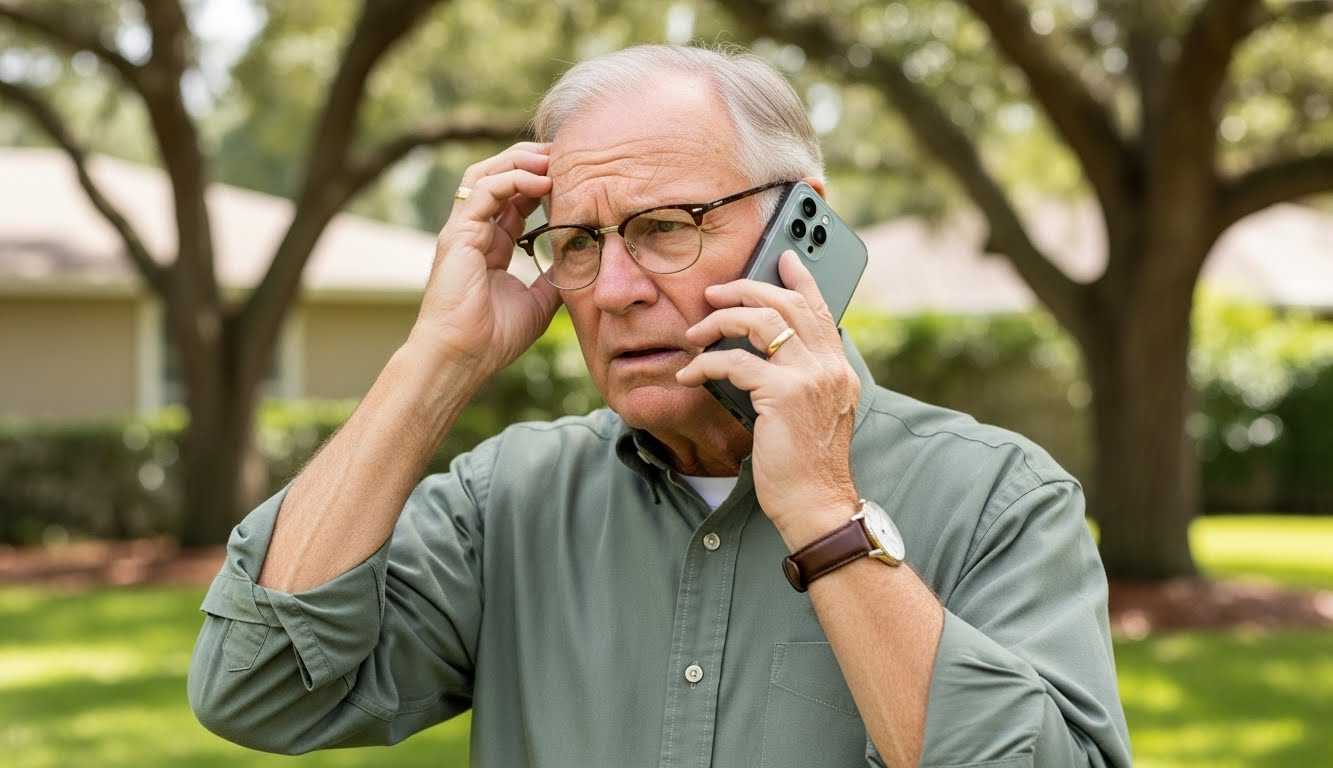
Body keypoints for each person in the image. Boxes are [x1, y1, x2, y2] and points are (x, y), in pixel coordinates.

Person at [188, 43, 1131, 767]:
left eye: (664, 228)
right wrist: (438, 358)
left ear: (800, 223)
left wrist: (825, 516)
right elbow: (259, 689)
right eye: (579, 242)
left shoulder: (997, 497)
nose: (611, 288)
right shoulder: (505, 501)